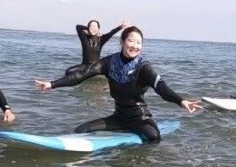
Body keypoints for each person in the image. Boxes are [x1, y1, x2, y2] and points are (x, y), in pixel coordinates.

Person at [35, 25, 202, 142]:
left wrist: (182, 101)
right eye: (131, 41)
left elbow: (161, 88)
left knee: (154, 138)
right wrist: (52, 84)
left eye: (139, 43)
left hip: (140, 119)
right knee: (80, 130)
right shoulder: (109, 62)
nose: (135, 46)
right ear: (122, 42)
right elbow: (81, 75)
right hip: (118, 117)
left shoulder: (144, 67)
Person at [65, 19, 131, 76]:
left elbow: (111, 33)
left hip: (96, 67)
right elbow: (78, 27)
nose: (93, 28)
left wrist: (120, 27)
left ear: (98, 29)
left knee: (112, 74)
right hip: (84, 65)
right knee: (68, 71)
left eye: (95, 26)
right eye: (91, 26)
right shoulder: (84, 37)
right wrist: (88, 28)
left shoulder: (101, 39)